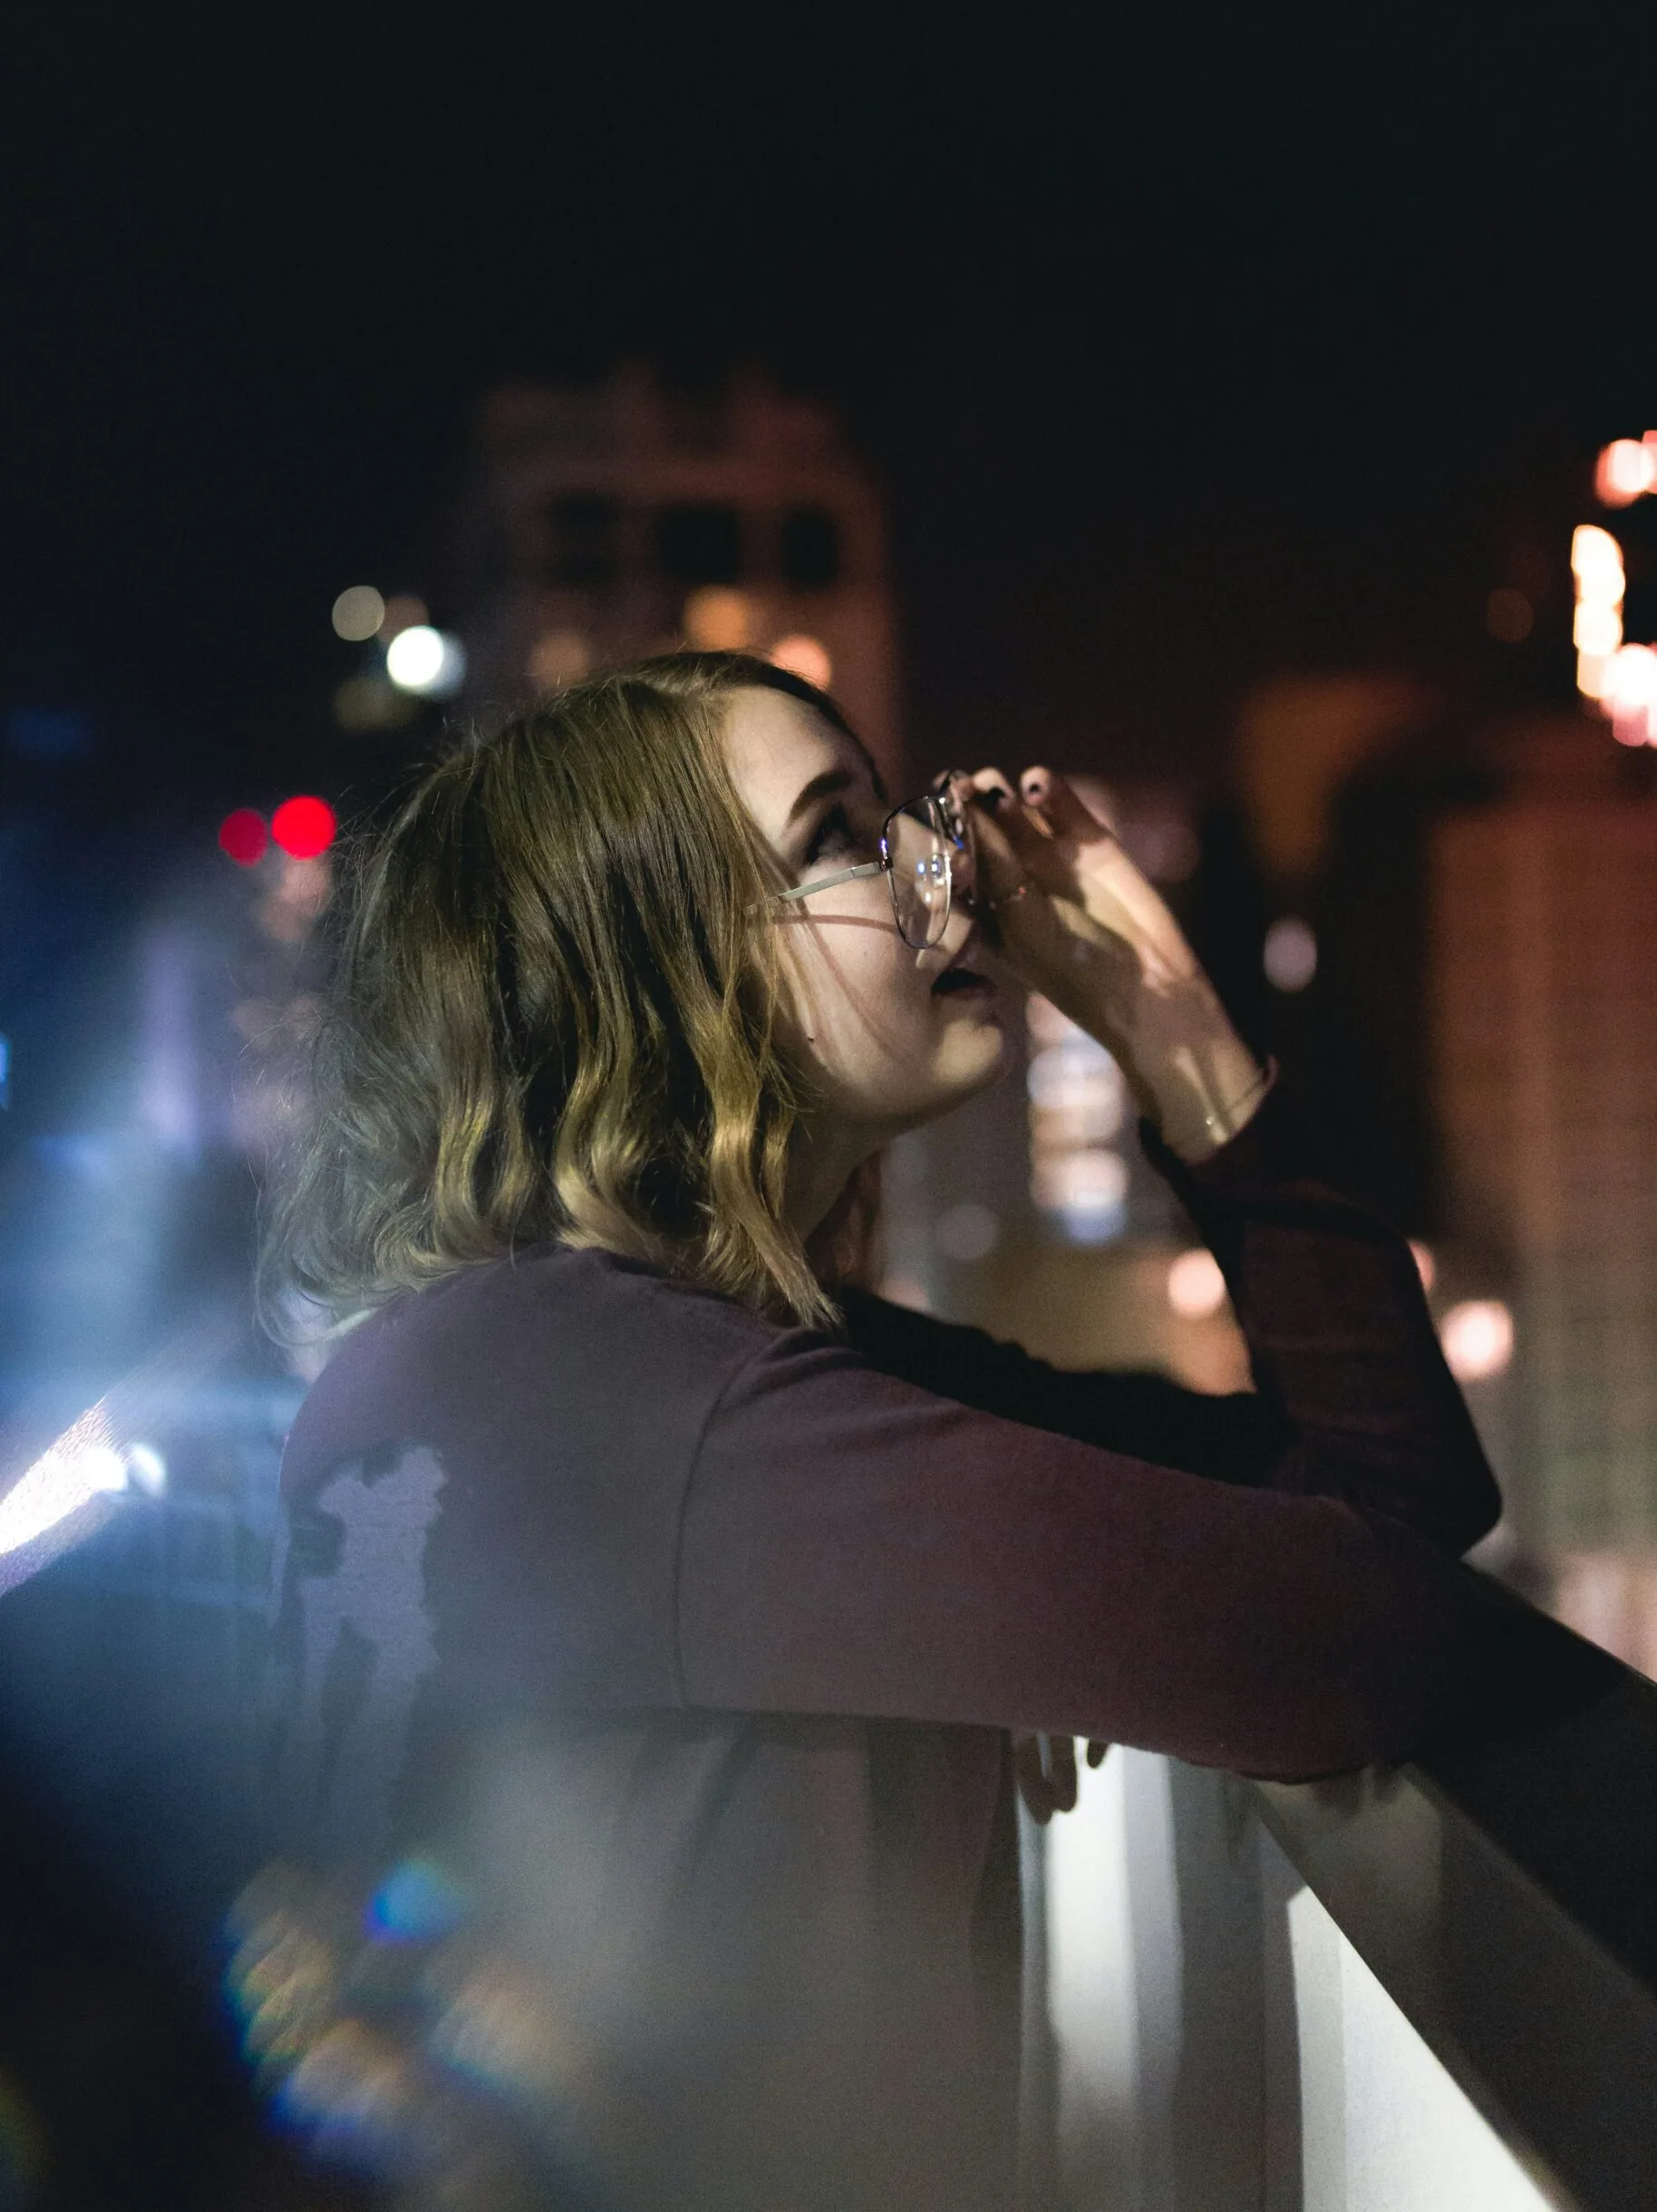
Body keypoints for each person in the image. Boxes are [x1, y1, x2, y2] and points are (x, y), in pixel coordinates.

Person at [254, 651, 1582, 2212]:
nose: (940, 882)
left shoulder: (614, 1365)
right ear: (664, 968)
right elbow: (1383, 1640)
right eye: (839, 838)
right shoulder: (644, 1414)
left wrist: (1174, 1037)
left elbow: (1402, 1491)